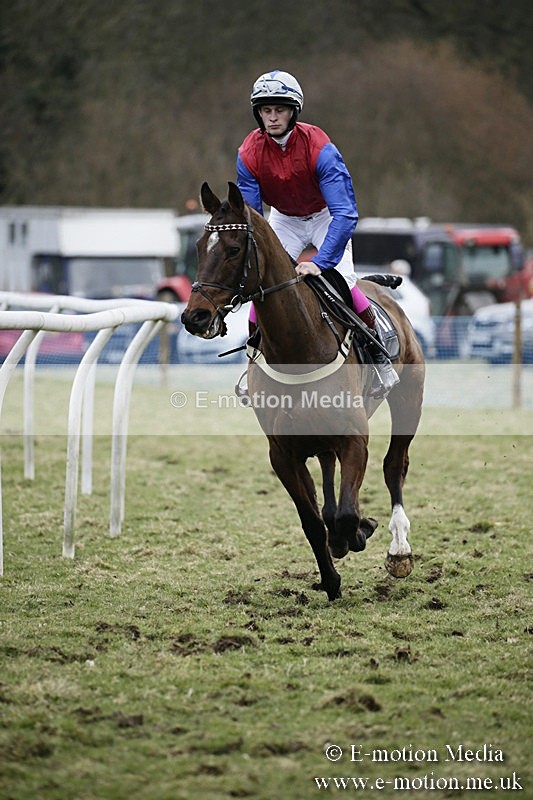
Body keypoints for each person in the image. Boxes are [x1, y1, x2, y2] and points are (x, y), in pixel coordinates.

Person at [236, 69, 399, 397]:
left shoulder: (320, 147)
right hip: (284, 218)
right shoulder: (248, 153)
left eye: (279, 109)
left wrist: (321, 262)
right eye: (266, 110)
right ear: (258, 113)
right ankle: (253, 363)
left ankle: (379, 356)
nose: (272, 117)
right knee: (261, 285)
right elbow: (252, 219)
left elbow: (345, 213)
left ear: (293, 111)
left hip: (326, 215)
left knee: (343, 281)